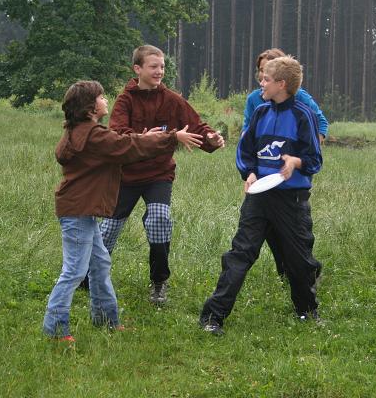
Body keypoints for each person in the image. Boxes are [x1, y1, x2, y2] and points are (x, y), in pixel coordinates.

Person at [43, 80, 204, 341]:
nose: (106, 100)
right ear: (90, 108)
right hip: (77, 211)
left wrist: (148, 137)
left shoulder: (83, 130)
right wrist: (172, 137)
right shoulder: (93, 135)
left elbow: (122, 140)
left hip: (80, 210)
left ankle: (106, 319)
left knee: (100, 263)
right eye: (101, 97)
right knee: (74, 271)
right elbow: (128, 147)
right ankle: (55, 330)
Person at [199, 56, 323, 335]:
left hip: (292, 202)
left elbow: (315, 160)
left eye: (266, 79)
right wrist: (250, 173)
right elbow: (245, 151)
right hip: (258, 198)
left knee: (299, 261)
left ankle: (307, 311)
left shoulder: (304, 115)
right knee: (240, 255)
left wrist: (295, 162)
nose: (261, 83)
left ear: (281, 84)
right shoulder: (260, 113)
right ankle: (213, 317)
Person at [95, 44, 224, 304]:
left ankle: (158, 282)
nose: (159, 71)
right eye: (153, 66)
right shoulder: (125, 100)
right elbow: (119, 136)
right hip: (126, 176)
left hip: (158, 175)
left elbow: (196, 126)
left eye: (162, 66)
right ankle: (90, 276)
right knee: (108, 229)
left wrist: (211, 138)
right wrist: (166, 137)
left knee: (159, 220)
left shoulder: (172, 99)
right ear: (137, 69)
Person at [244, 48, 328, 280]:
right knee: (267, 229)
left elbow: (320, 123)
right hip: (263, 175)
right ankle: (286, 270)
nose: (262, 78)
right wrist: (252, 163)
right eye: (260, 72)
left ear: (281, 81)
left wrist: (300, 154)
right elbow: (247, 131)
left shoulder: (300, 98)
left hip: (291, 179)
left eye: (267, 73)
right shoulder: (256, 99)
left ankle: (303, 270)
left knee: (293, 231)